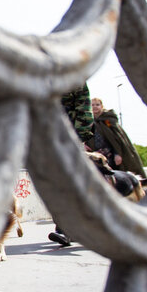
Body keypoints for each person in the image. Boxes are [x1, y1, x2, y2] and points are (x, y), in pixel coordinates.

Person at [49, 83, 95, 247]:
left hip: (69, 137)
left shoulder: (73, 77)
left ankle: (67, 229)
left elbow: (84, 109)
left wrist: (78, 138)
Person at [88, 97, 145, 176]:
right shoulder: (89, 121)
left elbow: (116, 138)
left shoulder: (108, 120)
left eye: (97, 104)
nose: (95, 107)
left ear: (102, 106)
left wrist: (117, 154)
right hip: (97, 155)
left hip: (111, 155)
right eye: (92, 105)